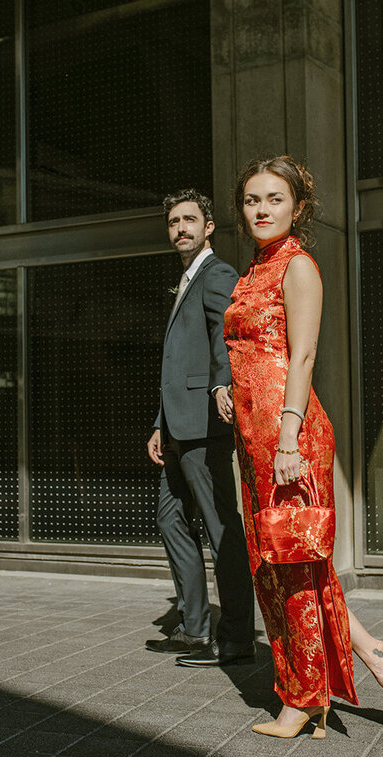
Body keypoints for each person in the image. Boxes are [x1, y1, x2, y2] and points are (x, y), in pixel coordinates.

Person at [222, 156, 383, 737]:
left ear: (299, 208)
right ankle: (380, 659)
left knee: (292, 568)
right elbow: (247, 353)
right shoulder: (252, 271)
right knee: (281, 566)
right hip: (254, 440)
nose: (261, 210)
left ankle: (303, 700)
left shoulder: (298, 266)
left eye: (275, 199)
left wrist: (287, 434)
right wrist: (226, 393)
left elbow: (303, 355)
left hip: (290, 437)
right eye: (253, 200)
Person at [145, 189, 256, 669]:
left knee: (220, 529)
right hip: (175, 427)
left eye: (190, 220)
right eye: (174, 222)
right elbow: (175, 361)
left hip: (205, 423)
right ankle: (193, 629)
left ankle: (235, 639)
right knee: (171, 520)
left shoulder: (217, 275)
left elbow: (225, 336)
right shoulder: (186, 279)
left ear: (208, 227)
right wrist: (158, 424)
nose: (181, 229)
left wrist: (220, 387)